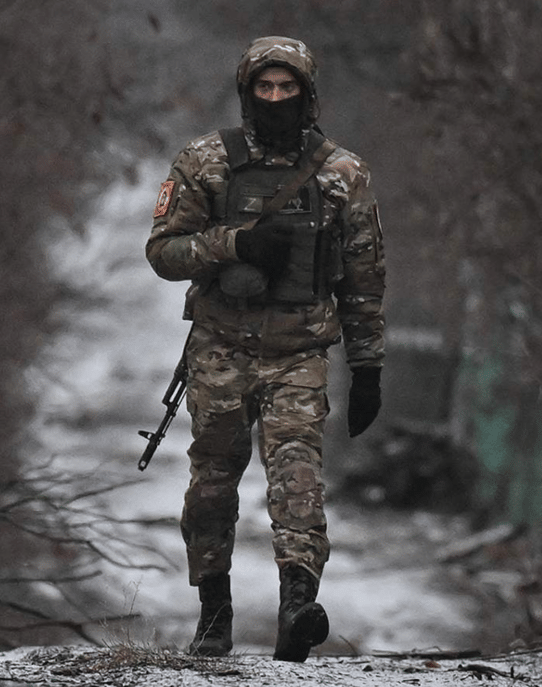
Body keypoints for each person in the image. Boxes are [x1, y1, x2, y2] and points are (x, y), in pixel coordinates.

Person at [145, 36, 386, 661]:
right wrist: (234, 244)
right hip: (220, 348)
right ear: (247, 91)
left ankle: (298, 608)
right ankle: (214, 613)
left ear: (307, 93)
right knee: (213, 487)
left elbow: (363, 277)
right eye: (265, 87)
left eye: (288, 88)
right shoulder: (204, 162)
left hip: (300, 351)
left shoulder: (343, 174)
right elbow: (163, 253)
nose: (276, 98)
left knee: (298, 477)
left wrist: (367, 367)